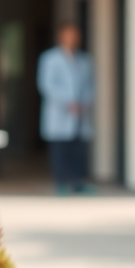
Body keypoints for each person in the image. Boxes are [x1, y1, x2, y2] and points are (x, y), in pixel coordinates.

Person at [37, 21, 95, 195]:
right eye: (69, 33)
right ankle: (61, 183)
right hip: (60, 112)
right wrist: (68, 102)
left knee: (79, 150)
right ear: (61, 36)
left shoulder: (84, 60)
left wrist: (83, 102)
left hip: (80, 112)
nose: (73, 37)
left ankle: (78, 182)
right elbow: (46, 85)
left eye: (76, 34)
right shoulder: (49, 58)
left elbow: (91, 85)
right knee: (60, 150)